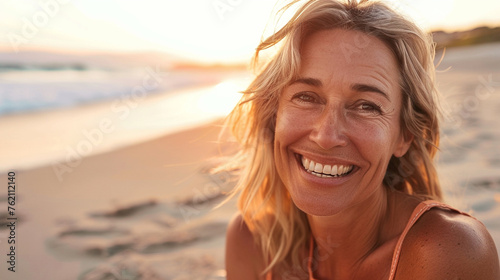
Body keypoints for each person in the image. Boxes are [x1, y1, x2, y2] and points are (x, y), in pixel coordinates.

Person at [224, 0, 500, 279]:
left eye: (366, 106)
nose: (326, 136)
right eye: (306, 97)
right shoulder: (250, 244)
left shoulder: (447, 250)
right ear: (274, 115)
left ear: (404, 135)